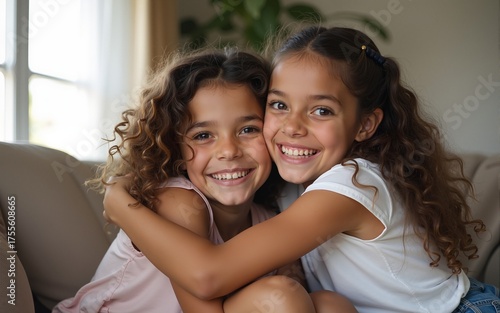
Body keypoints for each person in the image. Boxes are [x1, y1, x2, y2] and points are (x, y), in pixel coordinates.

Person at [102, 26, 500, 313]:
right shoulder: (292, 185)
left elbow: (210, 275)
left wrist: (122, 206)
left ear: (365, 124)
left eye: (321, 110)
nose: (292, 127)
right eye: (278, 105)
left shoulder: (353, 184)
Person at [52, 47, 354, 313]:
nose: (228, 151)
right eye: (203, 135)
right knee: (278, 298)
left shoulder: (267, 220)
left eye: (248, 129)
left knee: (331, 305)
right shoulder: (179, 202)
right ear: (175, 147)